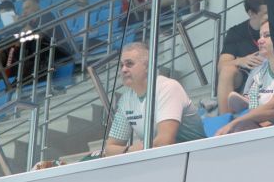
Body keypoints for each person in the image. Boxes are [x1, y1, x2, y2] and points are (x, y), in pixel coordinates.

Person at [33, 43, 204, 169]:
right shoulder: (126, 99)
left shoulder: (167, 87)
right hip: (159, 163)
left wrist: (131, 150)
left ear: (148, 66)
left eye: (129, 64)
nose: (123, 69)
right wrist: (131, 149)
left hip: (194, 161)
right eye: (121, 65)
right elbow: (110, 148)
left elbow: (165, 141)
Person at [216, 20, 274, 135]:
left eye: (267, 35)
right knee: (241, 126)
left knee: (238, 126)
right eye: (260, 36)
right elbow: (251, 103)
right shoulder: (258, 70)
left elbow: (272, 109)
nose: (260, 40)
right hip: (262, 127)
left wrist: (234, 123)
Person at [216, 0, 268, 114]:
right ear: (251, 13)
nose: (271, 16)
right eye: (266, 13)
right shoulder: (236, 33)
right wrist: (241, 61)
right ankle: (225, 119)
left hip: (270, 77)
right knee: (227, 70)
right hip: (246, 81)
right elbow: (221, 66)